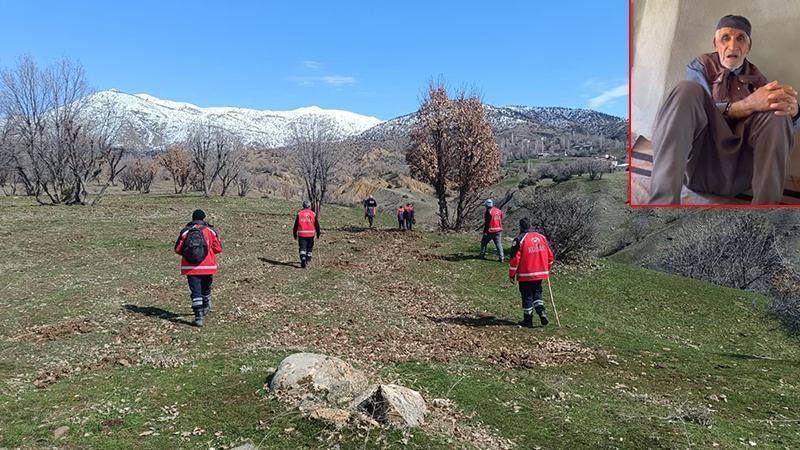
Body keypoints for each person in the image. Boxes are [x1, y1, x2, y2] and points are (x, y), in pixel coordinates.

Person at [649, 14, 800, 205]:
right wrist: (745, 105)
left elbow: (784, 126)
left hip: (739, 175)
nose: (733, 46)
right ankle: (661, 206)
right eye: (725, 38)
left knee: (776, 110)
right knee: (685, 90)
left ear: (748, 47)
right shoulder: (701, 66)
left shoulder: (759, 79)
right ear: (715, 43)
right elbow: (694, 110)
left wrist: (793, 111)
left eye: (740, 39)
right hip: (699, 166)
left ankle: (765, 214)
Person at [174, 209, 223, 328]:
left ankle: (198, 317)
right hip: (208, 266)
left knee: (195, 291)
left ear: (192, 218)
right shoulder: (210, 231)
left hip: (190, 267)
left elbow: (177, 249)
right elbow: (218, 248)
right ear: (204, 218)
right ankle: (206, 304)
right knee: (206, 287)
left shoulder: (186, 231)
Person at [508, 217, 554, 328]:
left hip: (525, 274)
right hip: (540, 273)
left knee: (527, 296)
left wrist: (512, 274)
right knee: (537, 293)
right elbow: (550, 256)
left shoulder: (520, 239)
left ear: (520, 226)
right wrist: (546, 268)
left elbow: (515, 259)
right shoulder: (541, 237)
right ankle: (541, 312)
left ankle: (528, 320)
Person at [293, 200, 321, 268]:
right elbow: (317, 225)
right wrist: (318, 233)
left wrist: (294, 234)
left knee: (302, 247)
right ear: (309, 206)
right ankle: (308, 260)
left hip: (302, 234)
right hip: (311, 234)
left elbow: (296, 225)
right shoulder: (313, 214)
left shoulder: (299, 214)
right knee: (309, 248)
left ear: (303, 206)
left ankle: (303, 258)